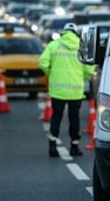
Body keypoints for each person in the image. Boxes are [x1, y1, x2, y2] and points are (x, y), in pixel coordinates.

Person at [39, 23, 95, 157]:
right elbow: (89, 69)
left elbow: (43, 62)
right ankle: (74, 146)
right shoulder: (82, 47)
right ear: (76, 33)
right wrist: (83, 78)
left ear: (64, 32)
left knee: (56, 117)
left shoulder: (53, 45)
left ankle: (52, 146)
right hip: (76, 91)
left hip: (57, 91)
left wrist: (51, 74)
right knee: (74, 119)